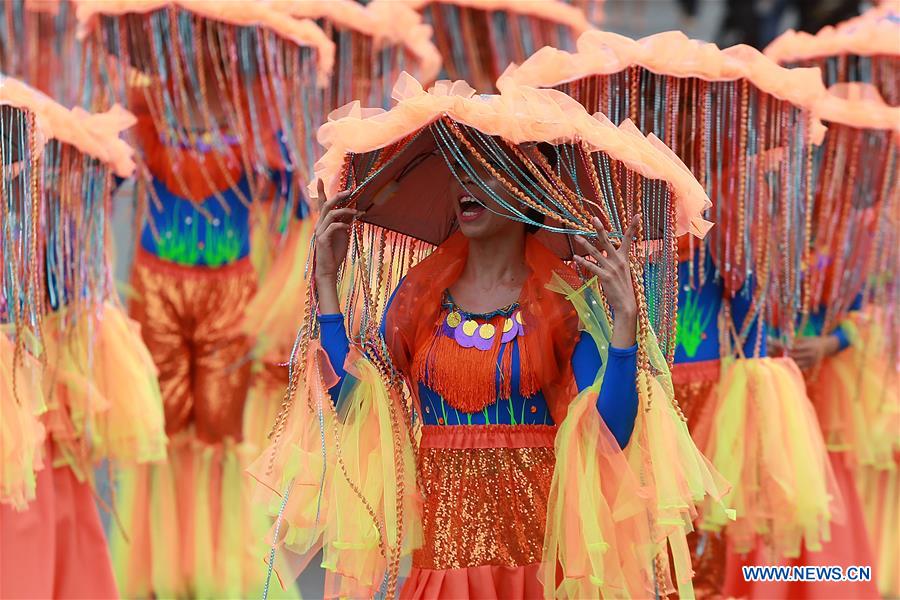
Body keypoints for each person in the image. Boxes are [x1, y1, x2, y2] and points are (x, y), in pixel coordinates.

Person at [311, 153, 641, 596]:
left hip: (536, 571)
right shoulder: (416, 302)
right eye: (459, 166)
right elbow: (352, 403)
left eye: (487, 166)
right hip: (442, 571)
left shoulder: (561, 305)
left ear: (527, 192)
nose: (466, 178)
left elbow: (610, 437)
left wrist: (624, 322)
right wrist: (327, 280)